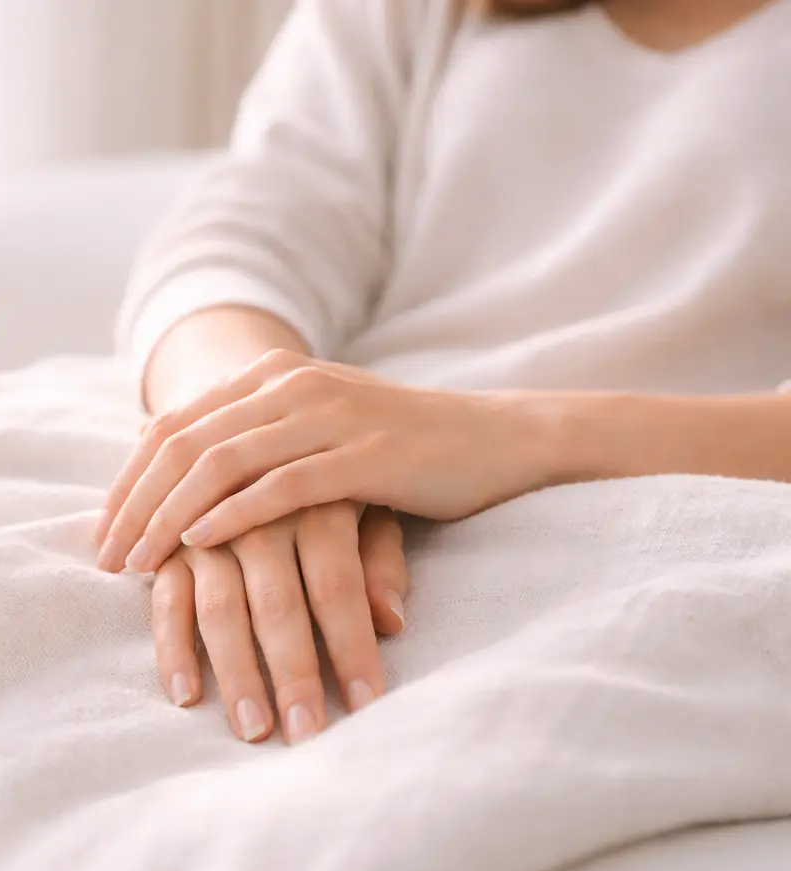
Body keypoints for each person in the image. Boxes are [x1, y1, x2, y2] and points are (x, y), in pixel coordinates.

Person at [94, 0, 791, 745]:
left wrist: (504, 435)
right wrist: (252, 449)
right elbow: (233, 245)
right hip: (340, 462)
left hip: (658, 512)